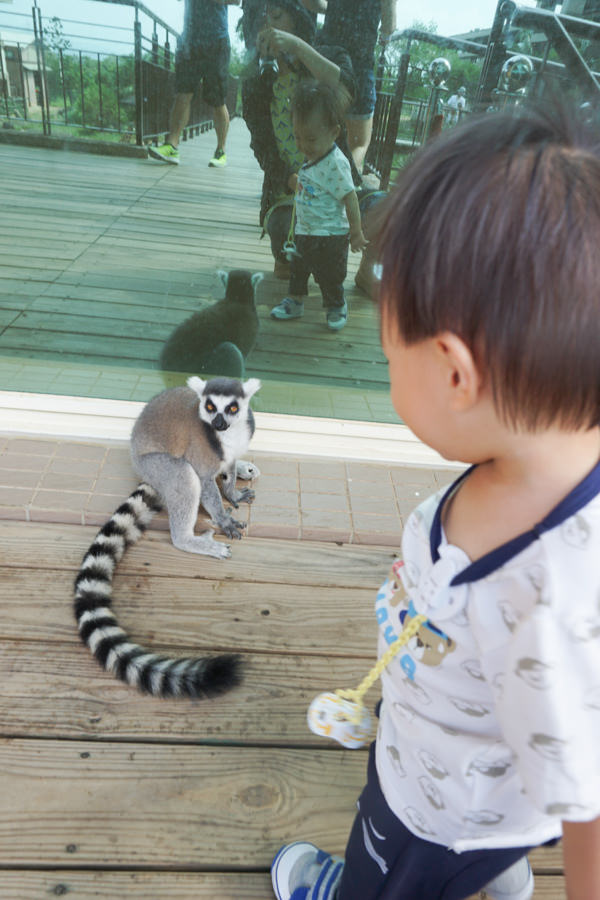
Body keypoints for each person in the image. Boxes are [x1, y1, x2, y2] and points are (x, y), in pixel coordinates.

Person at [270, 102, 600, 900]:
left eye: (389, 359)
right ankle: (498, 872)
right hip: (479, 782)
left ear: (454, 374)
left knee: (390, 877)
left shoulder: (539, 594)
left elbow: (588, 791)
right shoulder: (549, 451)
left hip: (434, 810)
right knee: (486, 849)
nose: (389, 379)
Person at [270, 81, 367, 330]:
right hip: (306, 230)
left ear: (334, 133)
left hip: (331, 234)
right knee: (298, 270)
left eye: (310, 139)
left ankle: (336, 305)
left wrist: (356, 231)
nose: (303, 145)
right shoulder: (313, 155)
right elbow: (312, 183)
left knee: (330, 275)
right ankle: (295, 301)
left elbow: (350, 197)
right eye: (298, 137)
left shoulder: (336, 162)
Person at [148, 0, 239, 167]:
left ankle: (221, 151)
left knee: (218, 100)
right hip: (189, 41)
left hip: (216, 42)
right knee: (183, 93)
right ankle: (172, 146)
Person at [315, 0, 396, 171]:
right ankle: (343, 186)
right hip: (358, 63)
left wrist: (335, 10)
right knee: (359, 142)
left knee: (319, 133)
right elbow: (388, 21)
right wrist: (387, 33)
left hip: (328, 58)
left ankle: (315, 186)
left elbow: (309, 3)